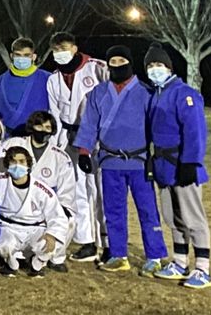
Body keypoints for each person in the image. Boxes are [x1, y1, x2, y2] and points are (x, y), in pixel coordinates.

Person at [73, 45, 168, 275]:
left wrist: (161, 156)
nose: (117, 66)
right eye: (112, 63)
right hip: (110, 161)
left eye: (121, 62)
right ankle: (118, 254)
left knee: (148, 210)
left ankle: (155, 256)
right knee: (113, 211)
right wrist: (85, 151)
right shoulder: (98, 93)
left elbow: (159, 126)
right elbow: (89, 123)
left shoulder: (146, 93)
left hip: (139, 161)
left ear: (130, 64)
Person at [144, 45, 211, 289]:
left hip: (182, 165)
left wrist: (190, 162)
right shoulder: (156, 93)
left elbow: (195, 131)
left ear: (169, 68)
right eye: (150, 66)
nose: (154, 70)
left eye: (158, 65)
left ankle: (203, 268)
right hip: (164, 167)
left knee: (193, 217)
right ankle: (180, 261)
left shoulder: (185, 94)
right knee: (172, 218)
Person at [45, 30, 107, 262]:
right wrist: (56, 144)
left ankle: (108, 241)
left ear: (74, 48)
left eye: (64, 49)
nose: (60, 54)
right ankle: (87, 242)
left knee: (100, 190)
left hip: (97, 139)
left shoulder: (97, 68)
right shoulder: (54, 79)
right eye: (56, 50)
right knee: (77, 191)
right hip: (69, 138)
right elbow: (55, 114)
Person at [1, 111, 76, 272]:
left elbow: (67, 190)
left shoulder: (61, 157)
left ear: (53, 130)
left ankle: (55, 257)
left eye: (48, 127)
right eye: (39, 125)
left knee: (68, 221)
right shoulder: (14, 144)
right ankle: (14, 255)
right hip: (14, 202)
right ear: (31, 127)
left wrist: (62, 208)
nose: (43, 130)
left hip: (45, 206)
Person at [0, 147, 71, 278]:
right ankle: (11, 265)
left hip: (34, 228)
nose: (17, 165)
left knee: (48, 245)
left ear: (28, 164)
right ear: (7, 164)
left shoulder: (42, 189)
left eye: (22, 161)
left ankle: (37, 265)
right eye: (13, 161)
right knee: (3, 243)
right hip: (7, 227)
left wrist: (52, 234)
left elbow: (57, 215)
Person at [0, 37, 51, 137]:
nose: (22, 59)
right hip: (8, 137)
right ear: (11, 56)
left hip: (38, 136)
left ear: (33, 57)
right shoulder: (2, 80)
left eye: (26, 55)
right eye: (18, 55)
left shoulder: (47, 79)